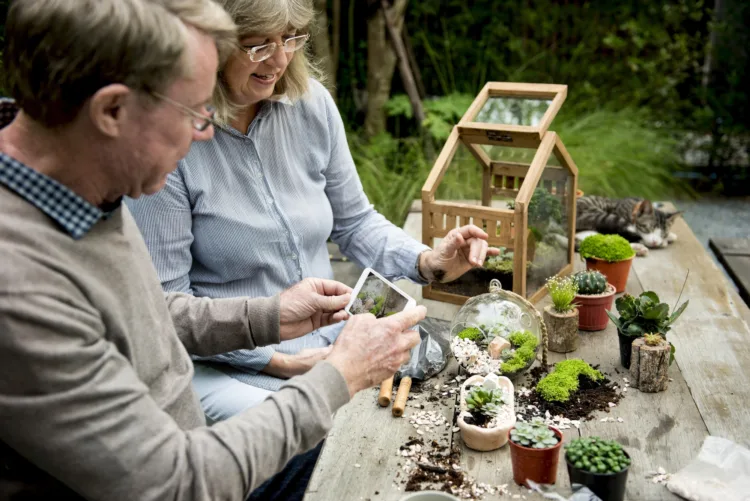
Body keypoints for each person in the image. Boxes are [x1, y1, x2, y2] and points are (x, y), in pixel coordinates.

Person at [0, 1, 425, 500]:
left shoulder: (87, 183)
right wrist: (337, 378)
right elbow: (174, 482)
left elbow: (154, 311)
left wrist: (266, 315)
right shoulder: (21, 287)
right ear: (111, 111)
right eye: (196, 111)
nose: (207, 132)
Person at [127, 0, 498, 420]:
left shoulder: (312, 104)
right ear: (209, 47)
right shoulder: (173, 140)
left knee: (449, 381)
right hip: (226, 365)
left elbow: (355, 222)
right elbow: (166, 311)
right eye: (258, 45)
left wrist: (428, 261)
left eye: (289, 39)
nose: (280, 59)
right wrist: (283, 363)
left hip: (327, 341)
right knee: (327, 435)